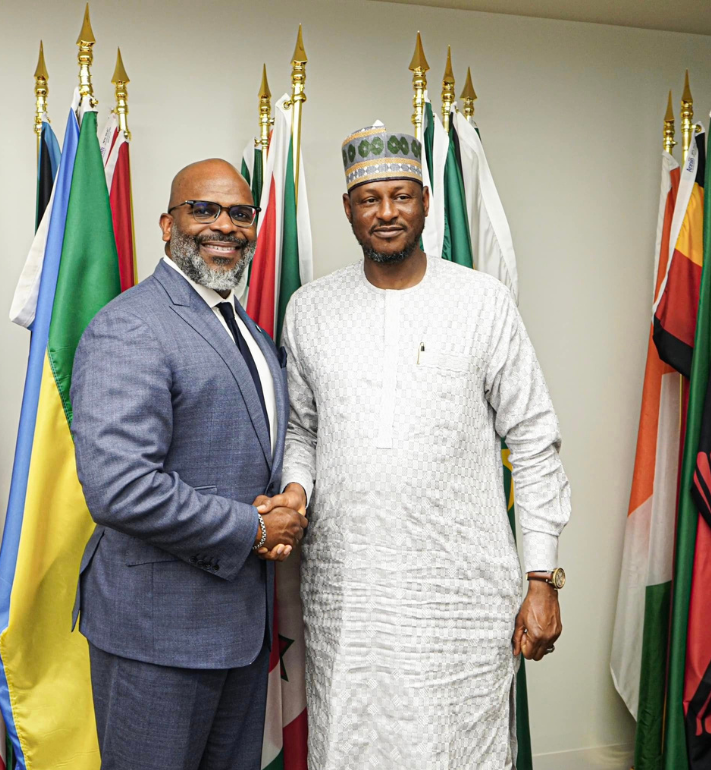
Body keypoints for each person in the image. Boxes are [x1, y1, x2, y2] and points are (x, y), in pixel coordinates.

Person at [257, 124, 571, 768]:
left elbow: (535, 443)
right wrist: (294, 490)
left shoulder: (483, 303)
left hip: (459, 595)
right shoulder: (310, 308)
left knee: (455, 749)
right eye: (369, 200)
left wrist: (542, 578)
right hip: (350, 593)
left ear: (427, 200)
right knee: (353, 745)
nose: (387, 213)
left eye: (401, 196)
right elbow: (302, 431)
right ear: (348, 209)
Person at [70, 159, 307, 770]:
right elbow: (120, 489)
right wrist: (254, 528)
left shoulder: (249, 331)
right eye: (204, 209)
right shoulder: (130, 326)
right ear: (166, 223)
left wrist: (287, 502)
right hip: (156, 629)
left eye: (240, 213)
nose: (224, 225)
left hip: (239, 627)